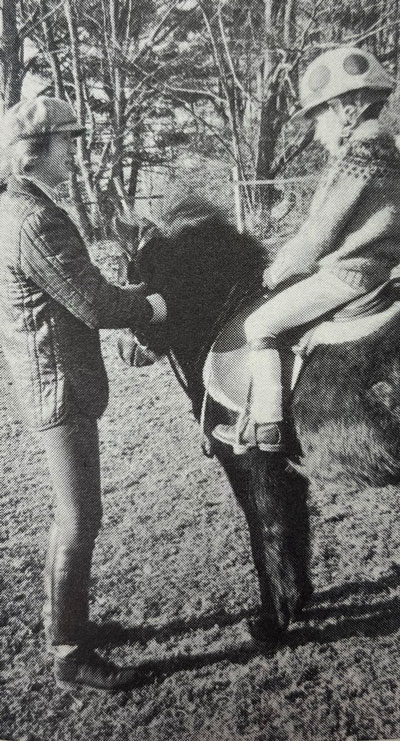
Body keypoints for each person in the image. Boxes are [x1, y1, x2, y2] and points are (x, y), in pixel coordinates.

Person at [0, 96, 167, 690]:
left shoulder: (23, 208)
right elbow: (92, 304)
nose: (74, 152)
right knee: (78, 515)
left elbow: (82, 286)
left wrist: (127, 288)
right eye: (66, 142)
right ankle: (69, 651)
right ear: (34, 151)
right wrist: (151, 303)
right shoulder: (33, 218)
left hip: (54, 381)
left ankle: (69, 628)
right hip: (59, 388)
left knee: (76, 513)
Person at [212, 46, 400, 455]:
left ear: (343, 108)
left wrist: (282, 266)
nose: (316, 133)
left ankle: (266, 424)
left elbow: (322, 230)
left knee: (259, 325)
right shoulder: (389, 149)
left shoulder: (360, 154)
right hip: (382, 271)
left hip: (346, 276)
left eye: (317, 118)